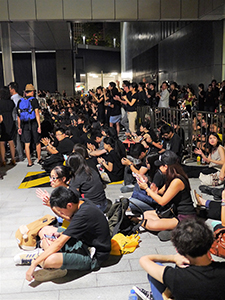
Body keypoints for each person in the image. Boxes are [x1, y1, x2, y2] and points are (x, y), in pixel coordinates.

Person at [25, 187, 111, 282]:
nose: (61, 214)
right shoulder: (81, 202)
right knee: (45, 229)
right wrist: (52, 205)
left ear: (69, 205)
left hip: (93, 256)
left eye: (61, 211)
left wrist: (33, 264)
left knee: (49, 260)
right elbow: (70, 219)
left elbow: (59, 243)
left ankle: (43, 261)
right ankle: (46, 258)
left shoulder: (84, 214)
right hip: (81, 241)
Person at [135, 218, 225, 300]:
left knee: (155, 271)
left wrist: (173, 258)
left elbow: (144, 260)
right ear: (210, 242)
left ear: (179, 251)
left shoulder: (176, 277)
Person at [137, 151, 195, 232]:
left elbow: (162, 202)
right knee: (146, 214)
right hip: (173, 212)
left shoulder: (177, 181)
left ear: (166, 166)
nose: (159, 168)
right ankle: (142, 221)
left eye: (160, 165)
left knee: (150, 224)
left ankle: (137, 221)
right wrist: (152, 189)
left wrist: (146, 188)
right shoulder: (171, 177)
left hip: (183, 217)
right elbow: (161, 192)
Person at [17, 84, 42, 167]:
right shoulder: (33, 100)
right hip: (33, 122)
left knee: (26, 144)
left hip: (24, 124)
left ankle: (29, 162)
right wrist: (39, 125)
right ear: (32, 92)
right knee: (37, 142)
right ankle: (39, 159)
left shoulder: (20, 101)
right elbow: (37, 114)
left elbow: (18, 116)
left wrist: (19, 127)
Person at [0, 86, 16, 166]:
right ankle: (13, 159)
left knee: (2, 142)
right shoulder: (11, 102)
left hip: (3, 123)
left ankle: (3, 160)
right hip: (10, 121)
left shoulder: (0, 102)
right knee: (11, 141)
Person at [9, 82, 23, 161]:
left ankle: (19, 155)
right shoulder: (21, 98)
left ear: (12, 89)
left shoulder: (13, 99)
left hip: (15, 119)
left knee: (16, 138)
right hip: (22, 119)